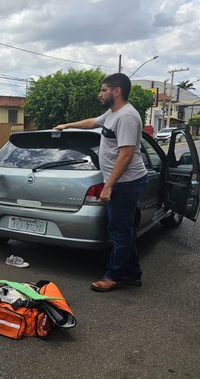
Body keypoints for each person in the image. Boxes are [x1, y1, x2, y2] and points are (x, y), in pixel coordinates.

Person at [54, 73, 148, 292]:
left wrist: (108, 186)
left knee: (118, 231)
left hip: (126, 183)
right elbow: (93, 122)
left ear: (117, 91)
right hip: (120, 182)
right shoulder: (113, 113)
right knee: (123, 230)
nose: (100, 93)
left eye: (104, 89)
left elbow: (125, 155)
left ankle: (113, 276)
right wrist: (67, 125)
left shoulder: (126, 117)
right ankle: (133, 273)